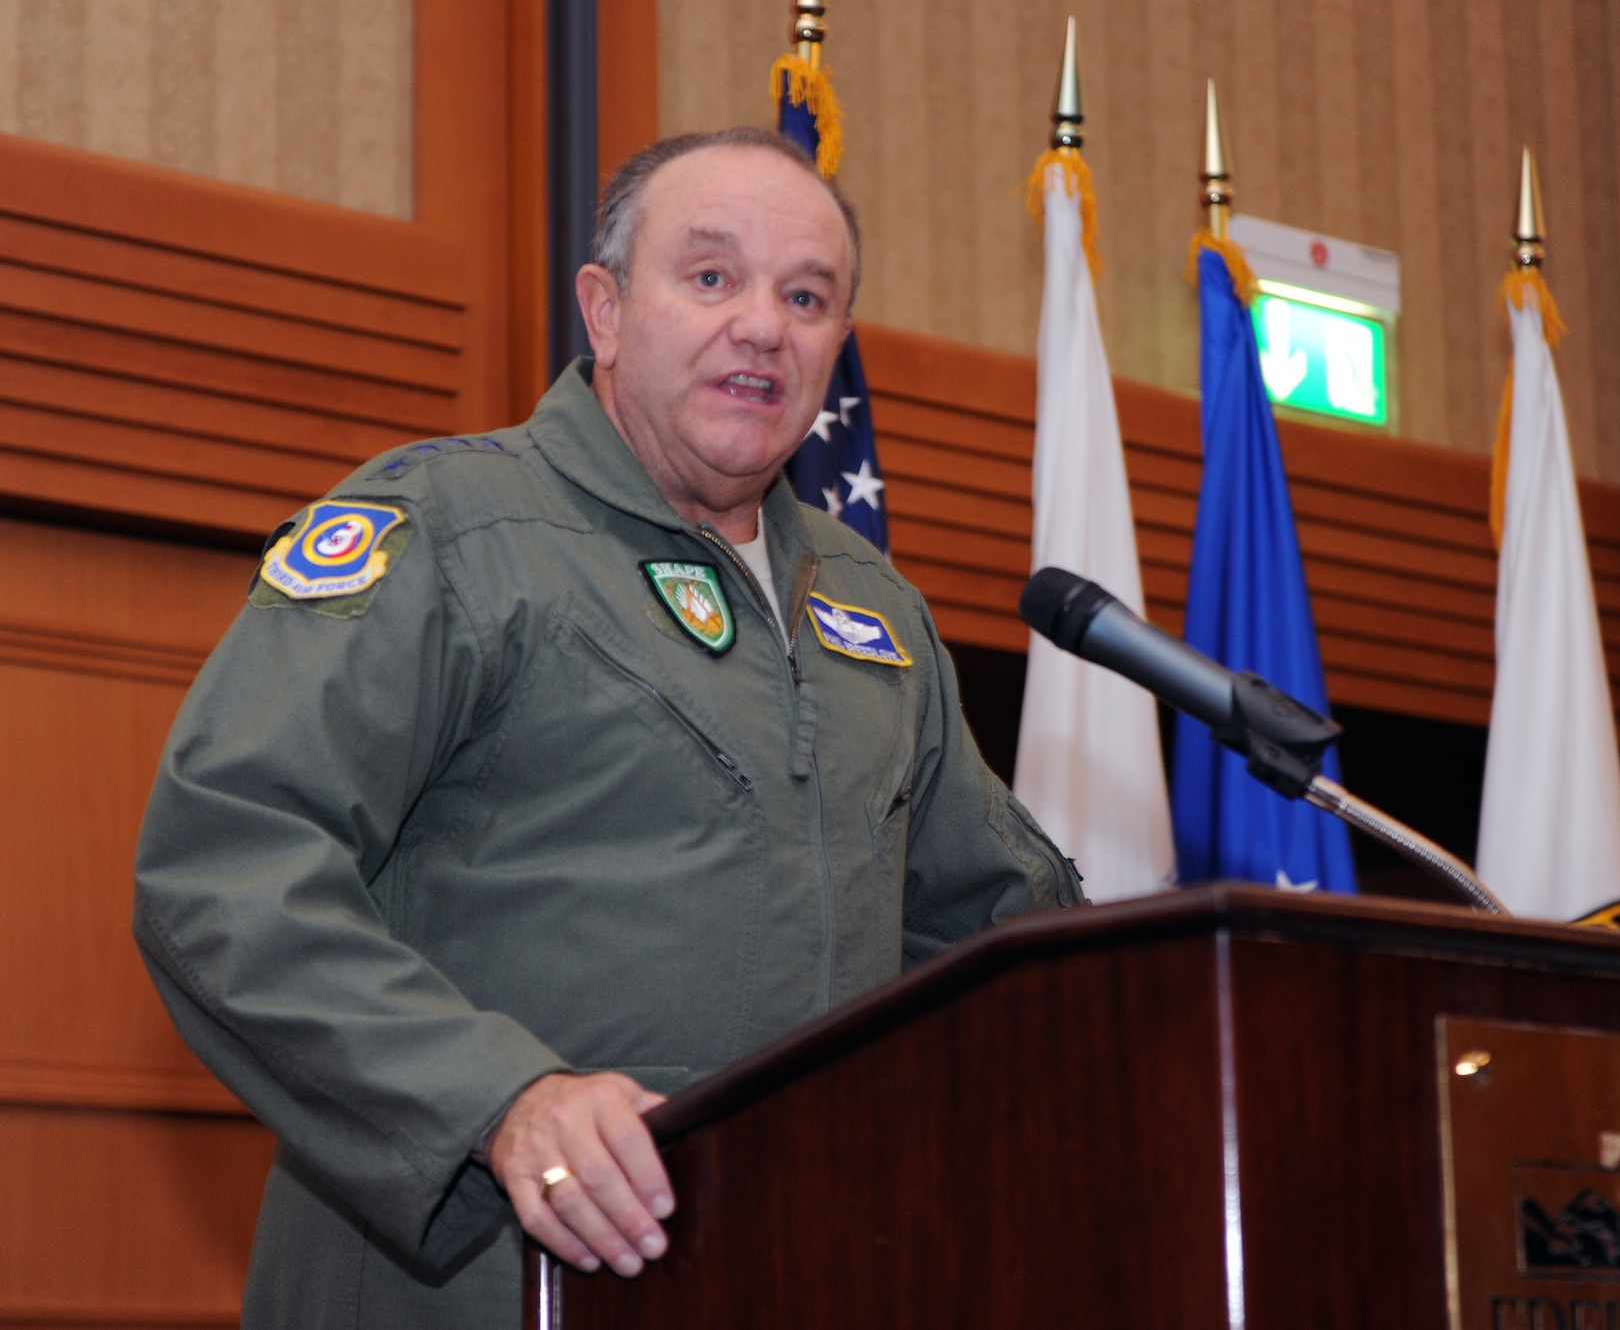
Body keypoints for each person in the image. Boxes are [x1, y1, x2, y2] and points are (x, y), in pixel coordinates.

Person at [131, 127, 1084, 1327]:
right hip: (472, 1280)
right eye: (709, 276)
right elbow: (223, 868)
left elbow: (997, 938)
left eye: (806, 296)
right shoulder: (451, 528)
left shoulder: (871, 608)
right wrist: (498, 1099)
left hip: (783, 1266)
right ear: (606, 309)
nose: (761, 325)